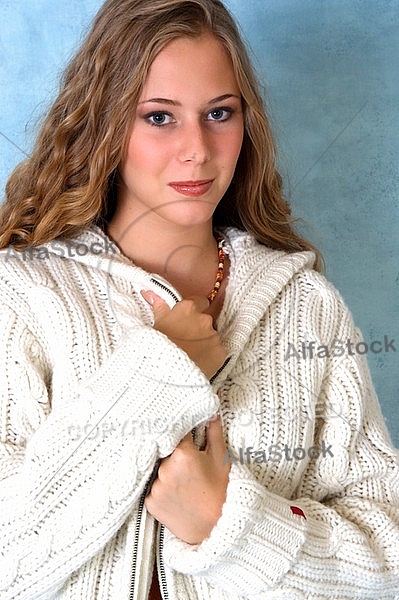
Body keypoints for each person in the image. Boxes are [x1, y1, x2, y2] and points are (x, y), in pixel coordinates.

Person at [0, 0, 398, 598]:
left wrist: (230, 524)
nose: (197, 149)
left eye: (219, 113)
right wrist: (161, 374)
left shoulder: (307, 306)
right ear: (105, 125)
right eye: (159, 117)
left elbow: (387, 551)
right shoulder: (22, 297)